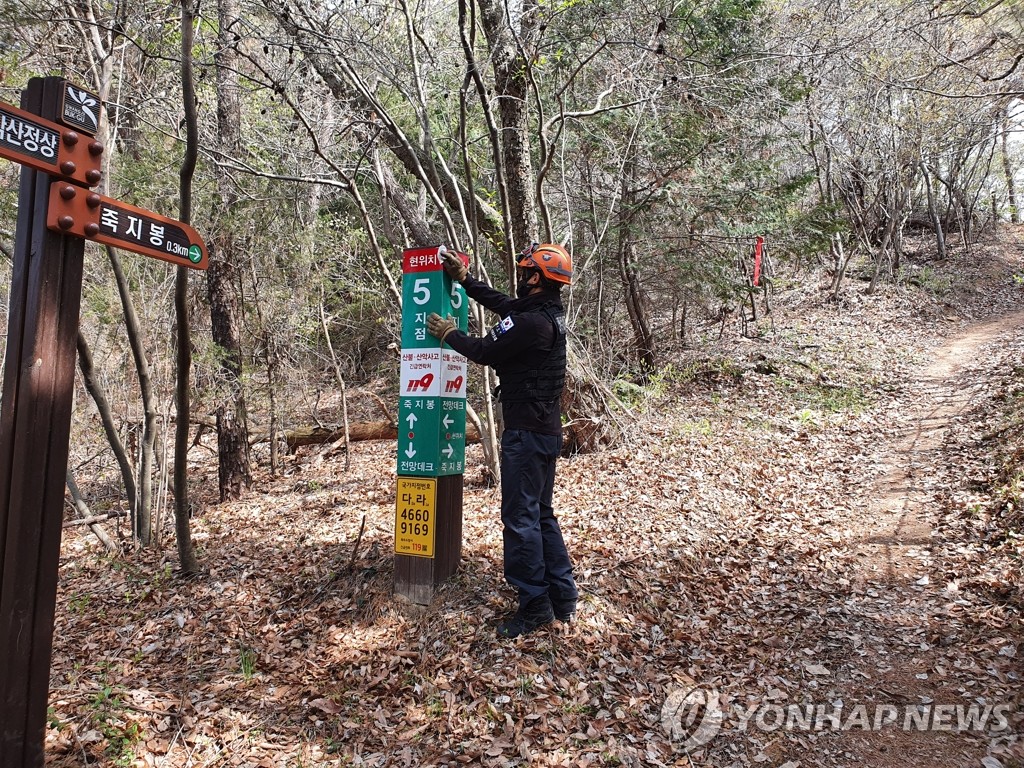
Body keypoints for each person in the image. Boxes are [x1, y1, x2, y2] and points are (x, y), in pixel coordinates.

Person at [426, 243, 579, 638]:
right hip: (544, 431)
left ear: (537, 279)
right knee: (541, 514)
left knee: (521, 519)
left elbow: (484, 350)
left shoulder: (531, 324)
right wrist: (466, 282)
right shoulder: (545, 314)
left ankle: (534, 606)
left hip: (527, 435)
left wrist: (450, 334)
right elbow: (504, 305)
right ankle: (563, 597)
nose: (520, 275)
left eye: (526, 270)